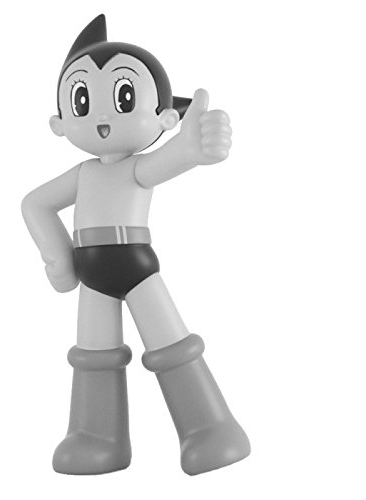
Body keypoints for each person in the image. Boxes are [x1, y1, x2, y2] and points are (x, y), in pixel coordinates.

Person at [21, 14, 250, 475]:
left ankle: (209, 427)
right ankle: (96, 437)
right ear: (60, 122)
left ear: (165, 117)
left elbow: (170, 159)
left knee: (172, 345)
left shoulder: (136, 169)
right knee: (93, 353)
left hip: (137, 267)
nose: (101, 116)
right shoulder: (83, 174)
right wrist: (59, 258)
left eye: (124, 97)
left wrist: (193, 149)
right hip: (91, 274)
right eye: (83, 99)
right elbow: (34, 204)